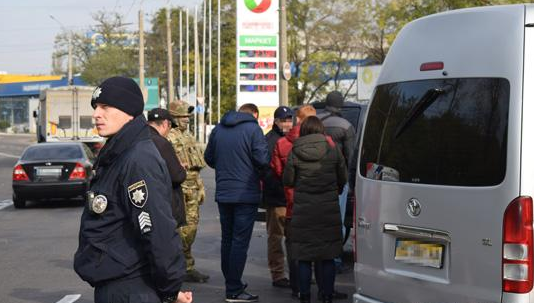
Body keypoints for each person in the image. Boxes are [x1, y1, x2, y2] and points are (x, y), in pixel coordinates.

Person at [73, 76, 192, 303]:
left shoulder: (138, 159)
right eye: (96, 107)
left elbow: (157, 229)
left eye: (105, 107)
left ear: (129, 111)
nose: (97, 114)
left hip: (133, 288)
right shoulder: (118, 152)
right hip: (119, 285)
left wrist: (169, 288)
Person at [204, 103, 269, 303]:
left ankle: (231, 283)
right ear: (254, 115)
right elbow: (262, 159)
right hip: (245, 194)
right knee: (240, 241)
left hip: (224, 192)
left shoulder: (218, 129)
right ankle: (233, 289)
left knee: (228, 239)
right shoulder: (253, 129)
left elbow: (209, 158)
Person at [283, 116, 347, 303]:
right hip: (328, 209)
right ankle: (326, 295)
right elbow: (342, 177)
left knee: (304, 256)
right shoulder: (333, 150)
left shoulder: (295, 150)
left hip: (303, 210)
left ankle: (304, 295)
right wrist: (336, 188)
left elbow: (287, 180)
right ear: (321, 130)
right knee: (327, 256)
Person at [270, 104, 317, 298]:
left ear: (297, 119)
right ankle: (322, 287)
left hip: (289, 200)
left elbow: (279, 172)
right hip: (315, 201)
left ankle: (297, 287)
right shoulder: (326, 141)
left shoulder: (282, 143)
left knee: (292, 244)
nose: (287, 122)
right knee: (316, 243)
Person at [167, 100, 210, 283]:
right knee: (180, 229)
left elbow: (196, 166)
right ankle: (179, 266)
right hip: (178, 187)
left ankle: (187, 265)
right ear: (174, 118)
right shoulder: (169, 137)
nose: (186, 119)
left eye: (187, 116)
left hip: (192, 186)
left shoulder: (189, 136)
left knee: (191, 227)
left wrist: (200, 186)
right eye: (183, 116)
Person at [316, 91, 356, 279]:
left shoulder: (314, 121)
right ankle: (335, 261)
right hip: (338, 180)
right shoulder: (345, 126)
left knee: (318, 221)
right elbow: (351, 158)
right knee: (337, 221)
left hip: (314, 179)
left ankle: (318, 259)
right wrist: (351, 183)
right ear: (341, 106)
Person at [263, 105, 293, 288]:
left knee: (294, 237)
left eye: (290, 119)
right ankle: (278, 274)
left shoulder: (294, 138)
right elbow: (265, 170)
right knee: (276, 237)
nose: (287, 123)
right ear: (275, 121)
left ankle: (297, 272)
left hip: (291, 197)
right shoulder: (269, 140)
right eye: (283, 120)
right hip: (276, 197)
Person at [147, 108, 187, 227]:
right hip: (163, 205)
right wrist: (181, 168)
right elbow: (177, 176)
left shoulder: (140, 138)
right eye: (170, 128)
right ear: (165, 124)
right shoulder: (161, 143)